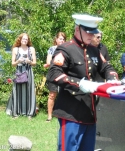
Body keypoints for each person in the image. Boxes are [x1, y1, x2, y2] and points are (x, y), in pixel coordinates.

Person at [46, 14, 118, 151]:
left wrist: (112, 79)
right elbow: (53, 73)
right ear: (77, 29)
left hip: (89, 112)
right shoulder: (66, 49)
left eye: (93, 32)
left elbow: (107, 67)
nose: (91, 36)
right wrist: (80, 84)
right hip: (71, 112)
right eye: (88, 32)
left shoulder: (94, 50)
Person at [6, 33, 37, 120]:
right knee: (17, 90)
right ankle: (16, 113)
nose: (25, 40)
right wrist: (18, 61)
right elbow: (12, 64)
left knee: (29, 90)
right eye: (23, 39)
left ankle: (29, 113)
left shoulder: (31, 49)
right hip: (19, 71)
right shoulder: (16, 49)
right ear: (20, 39)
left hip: (28, 71)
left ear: (28, 40)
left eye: (26, 39)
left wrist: (29, 61)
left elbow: (34, 63)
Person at [44, 32, 66, 122]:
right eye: (60, 38)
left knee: (64, 96)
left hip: (63, 75)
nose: (62, 40)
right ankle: (49, 116)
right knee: (52, 95)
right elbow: (48, 62)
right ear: (56, 40)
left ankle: (62, 115)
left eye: (63, 39)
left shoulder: (67, 49)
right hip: (53, 75)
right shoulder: (52, 49)